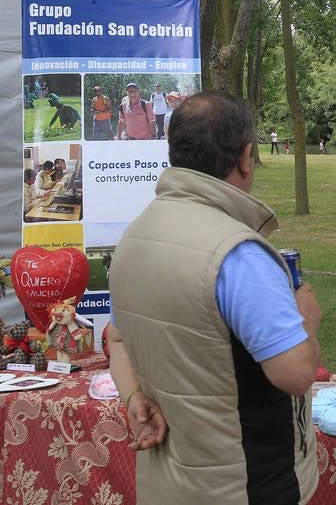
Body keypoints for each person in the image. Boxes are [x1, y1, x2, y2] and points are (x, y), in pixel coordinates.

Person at [108, 91, 321, 505]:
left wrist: (134, 396)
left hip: (168, 484)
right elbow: (294, 373)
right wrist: (306, 318)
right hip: (245, 485)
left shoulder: (134, 235)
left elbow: (117, 339)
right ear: (245, 157)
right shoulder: (237, 253)